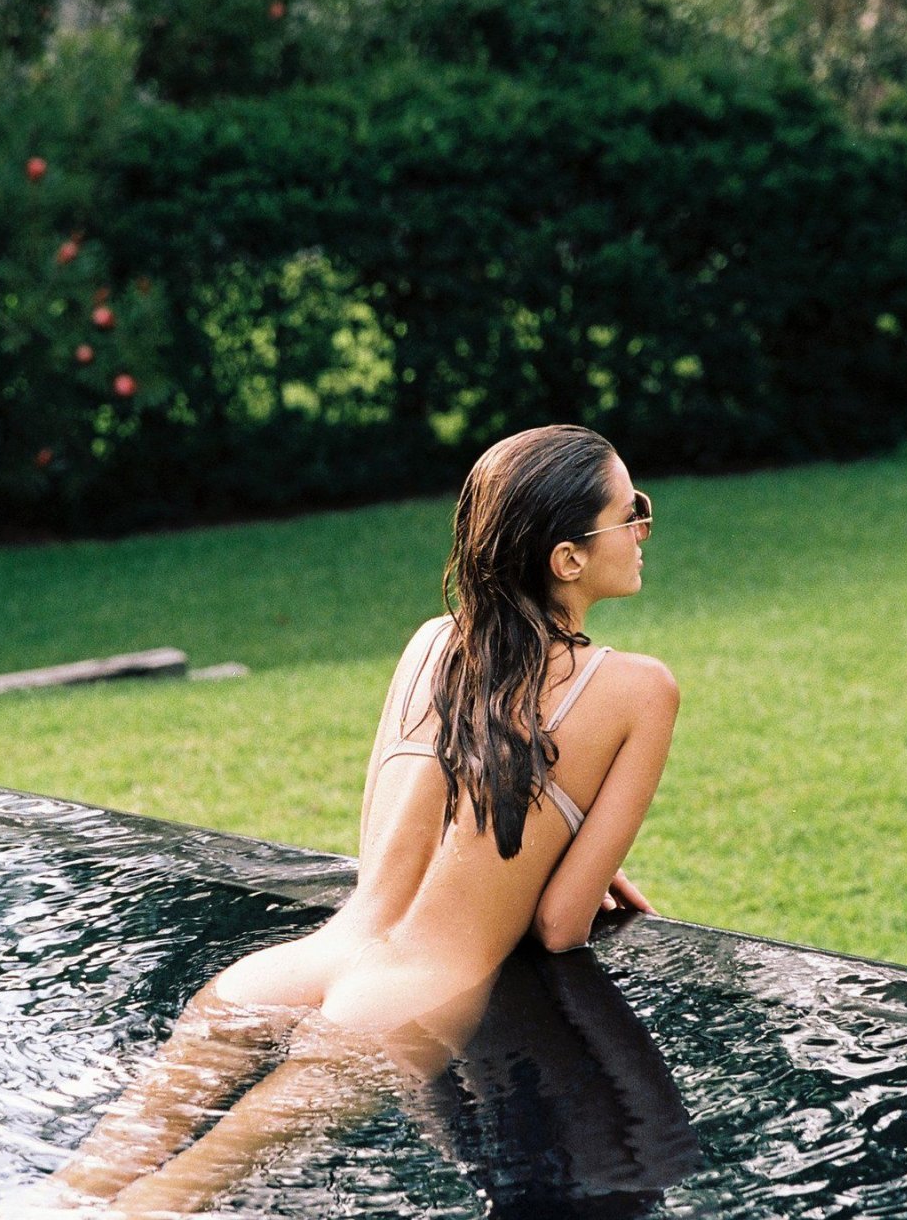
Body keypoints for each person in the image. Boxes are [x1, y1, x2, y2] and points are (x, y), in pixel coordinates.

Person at [40, 424, 678, 1216]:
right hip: (402, 1005)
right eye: (630, 510)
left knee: (78, 1187)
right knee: (168, 1204)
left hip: (290, 969)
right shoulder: (640, 690)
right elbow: (557, 927)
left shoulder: (430, 644)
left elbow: (386, 840)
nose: (644, 527)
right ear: (568, 559)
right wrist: (567, 850)